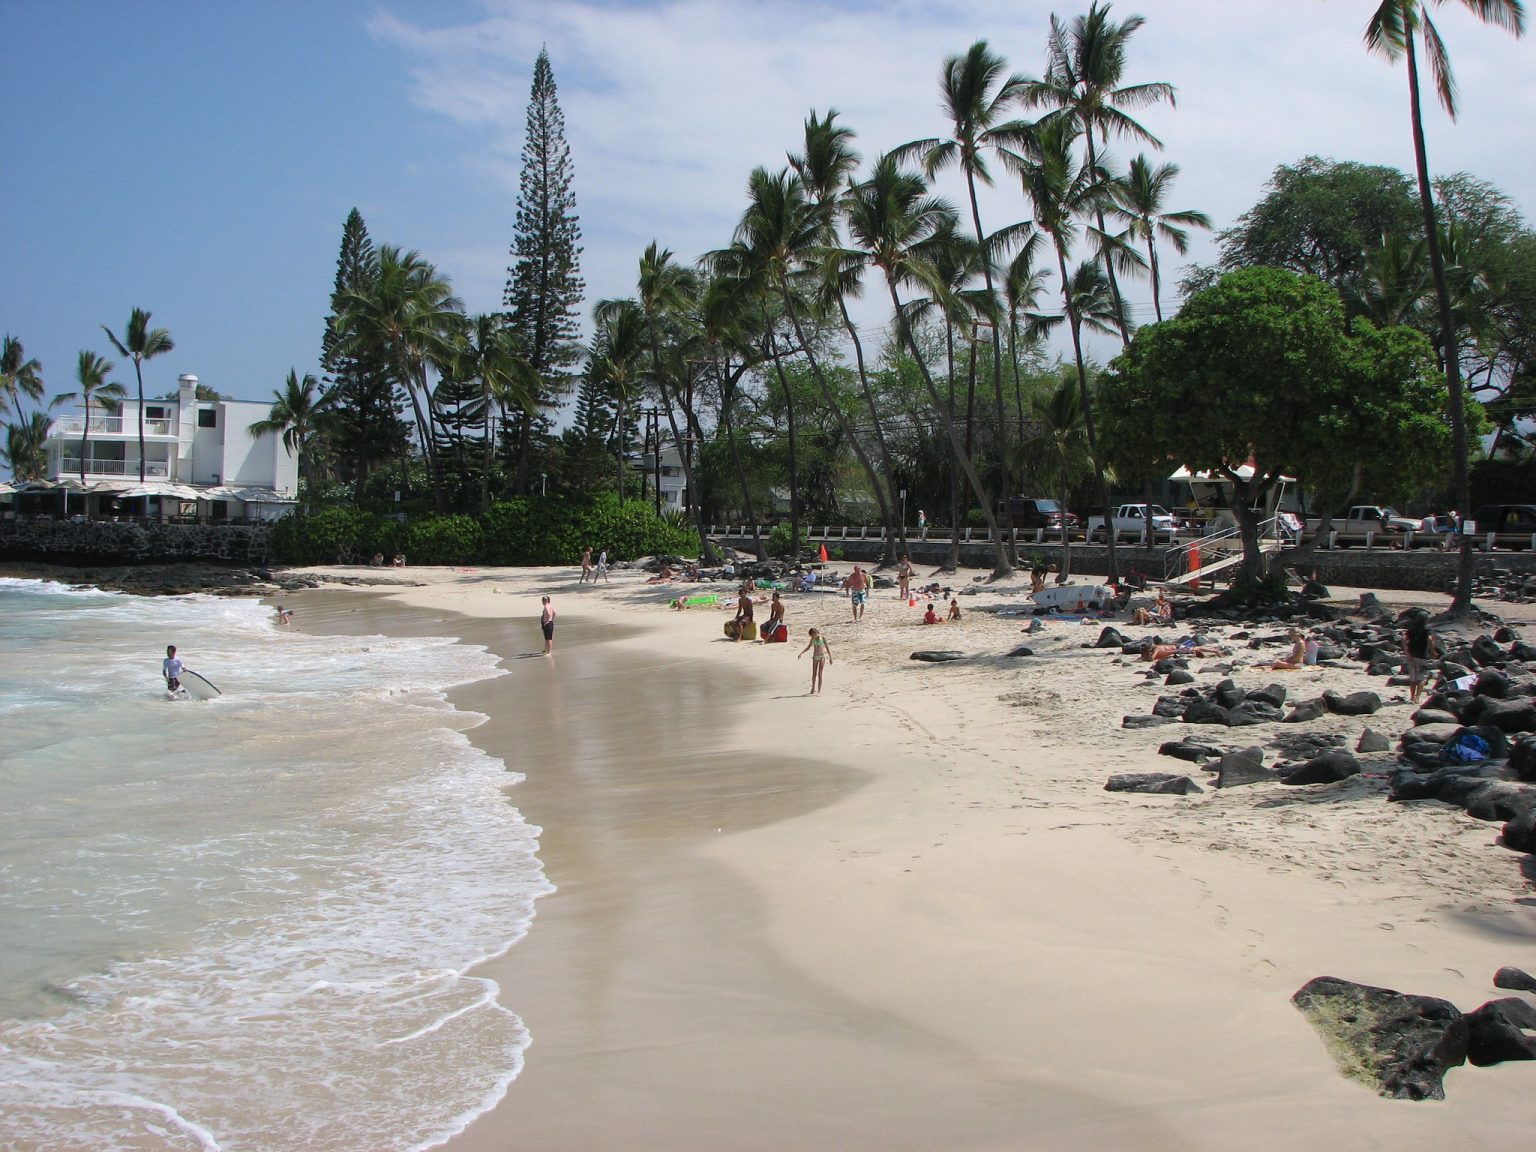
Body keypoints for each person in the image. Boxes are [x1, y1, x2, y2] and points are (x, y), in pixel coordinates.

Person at [1403, 610, 1440, 704]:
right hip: (1422, 656)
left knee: (1412, 678)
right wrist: (1433, 651)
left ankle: (1412, 696)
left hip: (1411, 655)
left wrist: (1406, 652)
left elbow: (1404, 640)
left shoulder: (1411, 630)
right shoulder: (1426, 630)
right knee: (1421, 677)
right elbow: (1430, 639)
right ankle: (1417, 697)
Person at [798, 626, 832, 694]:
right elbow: (808, 647)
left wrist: (830, 657)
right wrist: (801, 653)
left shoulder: (822, 638)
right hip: (815, 657)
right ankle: (813, 687)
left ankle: (819, 691)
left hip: (822, 657)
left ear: (816, 632)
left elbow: (827, 648)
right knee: (814, 674)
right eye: (811, 636)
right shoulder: (812, 639)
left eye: (812, 635)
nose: (812, 636)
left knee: (820, 674)